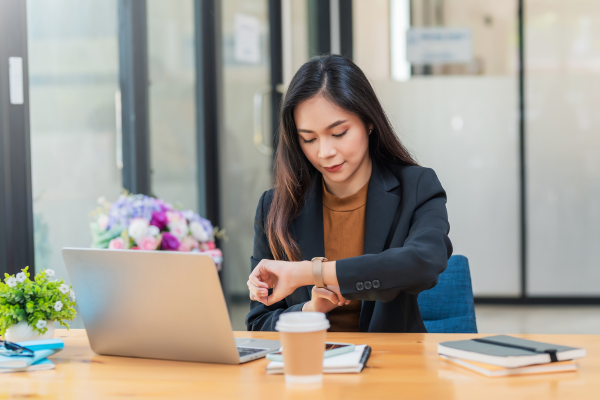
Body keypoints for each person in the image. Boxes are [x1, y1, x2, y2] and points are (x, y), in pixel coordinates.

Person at [246, 54, 452, 333]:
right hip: (311, 364)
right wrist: (309, 311)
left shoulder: (416, 186)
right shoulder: (276, 206)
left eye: (339, 133)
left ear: (369, 122)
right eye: (309, 139)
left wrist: (306, 273)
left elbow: (423, 263)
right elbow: (259, 324)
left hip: (392, 364)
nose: (324, 152)